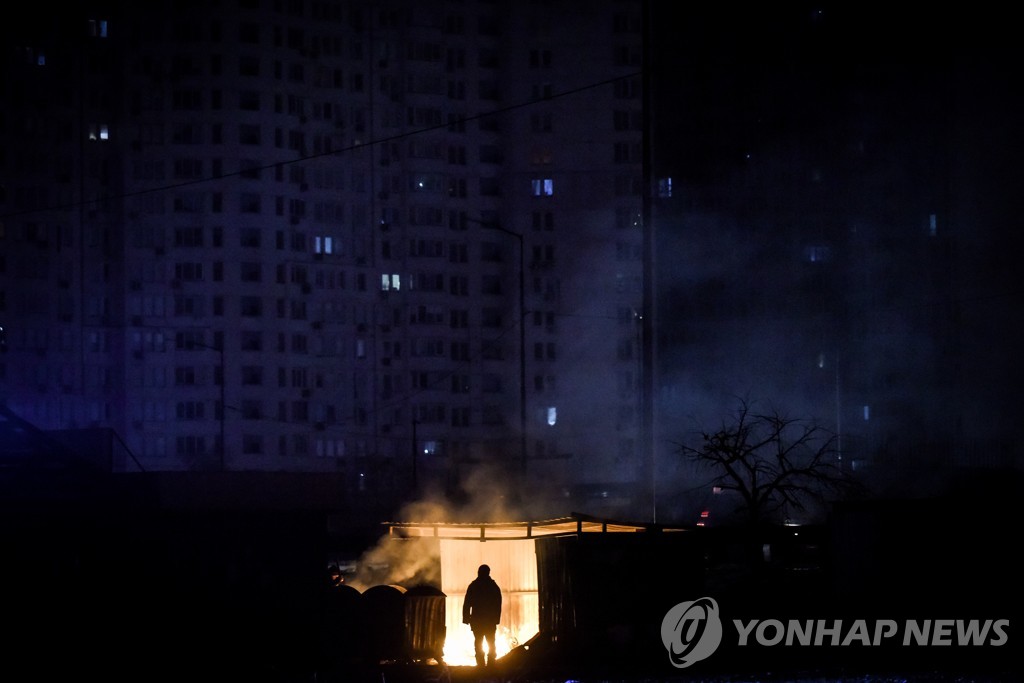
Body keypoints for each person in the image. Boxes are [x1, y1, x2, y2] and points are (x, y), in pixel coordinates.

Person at [462, 564, 502, 667]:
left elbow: (467, 603)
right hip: (489, 621)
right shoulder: (493, 587)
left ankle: (480, 664)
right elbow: (498, 604)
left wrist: (466, 618)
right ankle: (491, 664)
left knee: (478, 641)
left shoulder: (474, 586)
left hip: (477, 620)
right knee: (491, 641)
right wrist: (496, 619)